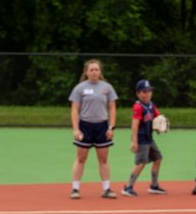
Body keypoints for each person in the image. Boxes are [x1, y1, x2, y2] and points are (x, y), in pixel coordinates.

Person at [68, 59, 118, 199]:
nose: (94, 72)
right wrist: (76, 129)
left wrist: (111, 127)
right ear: (86, 72)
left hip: (102, 126)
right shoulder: (80, 88)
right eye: (91, 70)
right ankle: (75, 189)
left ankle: (106, 189)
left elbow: (112, 108)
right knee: (81, 158)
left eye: (96, 69)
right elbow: (74, 109)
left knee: (103, 159)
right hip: (85, 126)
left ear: (100, 72)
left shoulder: (107, 87)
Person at [122, 78, 167, 196]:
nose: (147, 94)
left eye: (149, 91)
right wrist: (134, 141)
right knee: (141, 163)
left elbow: (157, 116)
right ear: (138, 93)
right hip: (141, 139)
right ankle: (128, 187)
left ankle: (154, 186)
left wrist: (161, 121)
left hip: (149, 138)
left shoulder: (151, 105)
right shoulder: (138, 107)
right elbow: (134, 125)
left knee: (158, 158)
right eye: (144, 91)